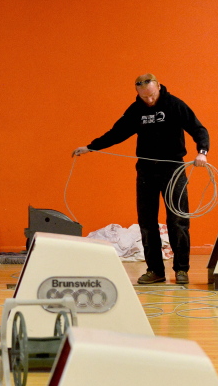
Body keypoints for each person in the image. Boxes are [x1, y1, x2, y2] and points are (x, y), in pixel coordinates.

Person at [73, 73, 209, 285]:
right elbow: (117, 133)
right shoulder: (136, 110)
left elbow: (198, 129)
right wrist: (91, 147)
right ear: (138, 93)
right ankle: (155, 270)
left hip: (173, 169)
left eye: (152, 96)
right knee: (147, 223)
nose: (149, 101)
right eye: (144, 97)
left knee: (178, 221)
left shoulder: (174, 105)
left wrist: (202, 152)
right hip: (146, 171)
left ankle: (181, 270)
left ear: (158, 87)